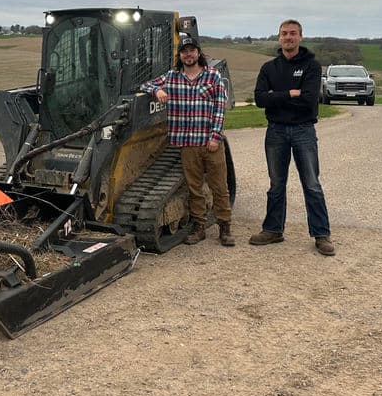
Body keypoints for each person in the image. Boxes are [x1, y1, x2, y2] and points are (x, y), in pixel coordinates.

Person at [139, 37, 234, 246]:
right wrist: (157, 90)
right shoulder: (172, 77)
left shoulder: (212, 76)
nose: (188, 55)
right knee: (194, 189)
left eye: (191, 51)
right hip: (187, 144)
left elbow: (220, 108)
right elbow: (145, 84)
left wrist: (215, 137)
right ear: (180, 56)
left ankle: (225, 228)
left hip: (210, 143)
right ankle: (199, 227)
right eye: (184, 52)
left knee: (219, 187)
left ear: (198, 53)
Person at [251, 19, 335, 256]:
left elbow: (309, 99)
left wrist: (275, 96)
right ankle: (273, 230)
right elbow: (259, 99)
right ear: (279, 38)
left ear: (300, 37)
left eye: (293, 34)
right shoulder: (269, 68)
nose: (288, 37)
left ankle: (321, 234)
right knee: (276, 184)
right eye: (284, 33)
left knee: (312, 184)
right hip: (275, 130)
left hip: (303, 130)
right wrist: (290, 93)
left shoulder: (312, 66)